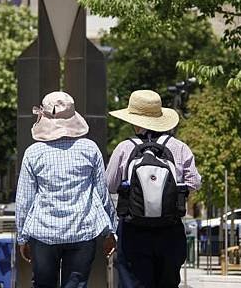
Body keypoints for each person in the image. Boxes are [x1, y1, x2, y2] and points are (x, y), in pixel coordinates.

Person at [15, 91, 117, 288]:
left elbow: (24, 200)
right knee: (76, 284)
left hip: (42, 231)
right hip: (82, 230)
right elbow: (102, 193)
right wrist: (110, 231)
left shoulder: (33, 153)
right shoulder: (89, 148)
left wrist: (22, 237)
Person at [105, 90, 202, 288]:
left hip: (133, 230)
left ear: (134, 121)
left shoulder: (124, 148)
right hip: (169, 229)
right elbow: (194, 182)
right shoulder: (178, 147)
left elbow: (110, 184)